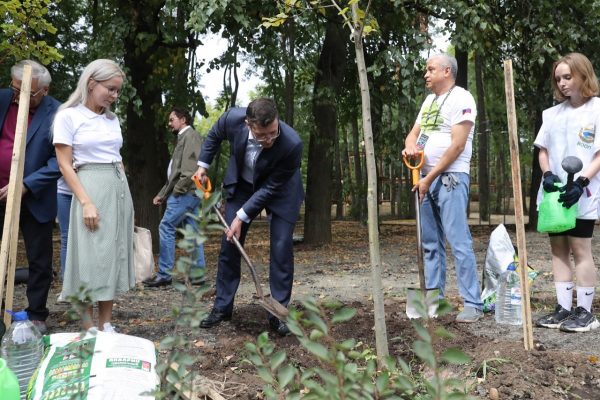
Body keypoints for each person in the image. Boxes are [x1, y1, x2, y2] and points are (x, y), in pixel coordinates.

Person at [195, 97, 304, 336]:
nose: (269, 140)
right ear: (248, 124)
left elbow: (271, 188)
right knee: (230, 243)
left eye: (273, 133)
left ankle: (278, 312)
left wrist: (241, 216)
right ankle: (223, 307)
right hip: (243, 185)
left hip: (281, 191)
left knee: (281, 246)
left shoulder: (292, 143)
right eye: (262, 135)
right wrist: (203, 165)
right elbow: (213, 136)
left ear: (277, 120)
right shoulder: (232, 119)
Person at [53, 59, 135, 332]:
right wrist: (87, 201)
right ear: (91, 83)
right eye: (110, 89)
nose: (114, 96)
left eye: (118, 91)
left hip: (117, 187)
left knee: (112, 254)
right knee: (89, 256)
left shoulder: (112, 120)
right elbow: (65, 164)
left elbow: (117, 157)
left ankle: (107, 324)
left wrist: (125, 194)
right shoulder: (68, 116)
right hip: (89, 185)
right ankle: (89, 326)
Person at [402, 53, 483, 323]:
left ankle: (472, 303)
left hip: (450, 178)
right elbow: (414, 132)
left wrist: (430, 177)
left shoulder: (462, 98)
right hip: (423, 179)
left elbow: (457, 145)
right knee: (430, 243)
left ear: (447, 71)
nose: (426, 74)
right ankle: (433, 300)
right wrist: (411, 145)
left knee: (458, 241)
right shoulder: (428, 101)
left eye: (430, 69)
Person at [534, 52, 600, 333]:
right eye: (558, 78)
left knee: (580, 249)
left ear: (583, 76)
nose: (562, 83)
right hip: (554, 195)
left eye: (567, 77)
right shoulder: (552, 114)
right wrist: (547, 174)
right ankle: (563, 308)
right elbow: (543, 150)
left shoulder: (597, 109)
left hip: (582, 193)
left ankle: (585, 313)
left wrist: (582, 182)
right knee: (558, 250)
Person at [0, 60, 61, 334]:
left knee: (39, 260)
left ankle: (36, 314)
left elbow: (59, 161)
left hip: (34, 198)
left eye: (26, 92)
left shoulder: (58, 112)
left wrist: (26, 184)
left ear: (44, 90)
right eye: (15, 89)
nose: (18, 95)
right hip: (0, 195)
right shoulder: (2, 99)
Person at [144, 107, 206, 287]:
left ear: (183, 119)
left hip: (185, 193)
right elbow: (175, 171)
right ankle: (198, 274)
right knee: (192, 232)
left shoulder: (191, 136)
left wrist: (176, 192)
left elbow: (189, 171)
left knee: (166, 227)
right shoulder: (183, 138)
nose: (169, 123)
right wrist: (163, 194)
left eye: (172, 120)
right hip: (187, 192)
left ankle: (164, 274)